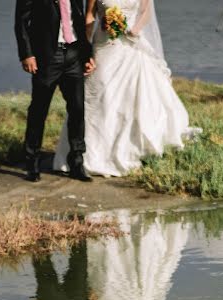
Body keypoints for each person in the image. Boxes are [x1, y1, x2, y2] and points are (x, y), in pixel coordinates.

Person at [54, 0, 201, 176]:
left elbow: (145, 12)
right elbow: (90, 16)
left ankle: (131, 150)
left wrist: (135, 30)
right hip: (104, 45)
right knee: (101, 92)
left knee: (132, 96)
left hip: (130, 44)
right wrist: (85, 50)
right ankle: (86, 155)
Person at [15, 0, 96, 182]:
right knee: (39, 109)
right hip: (47, 57)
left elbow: (79, 18)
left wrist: (87, 54)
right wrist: (26, 54)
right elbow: (21, 22)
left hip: (74, 54)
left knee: (77, 109)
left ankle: (76, 162)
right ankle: (32, 162)